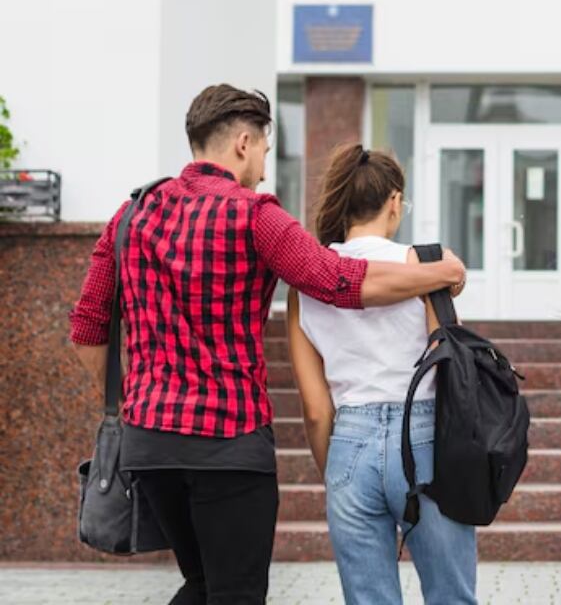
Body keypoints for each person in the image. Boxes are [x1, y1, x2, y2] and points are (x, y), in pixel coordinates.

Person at [68, 85, 466, 605]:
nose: (261, 165)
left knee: (203, 583)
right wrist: (440, 272)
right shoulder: (255, 215)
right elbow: (336, 280)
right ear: (241, 142)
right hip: (228, 443)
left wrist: (138, 398)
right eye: (262, 150)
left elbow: (89, 329)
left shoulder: (130, 215)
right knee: (236, 591)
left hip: (148, 445)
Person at [286, 144, 475, 605]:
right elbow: (447, 367)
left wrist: (335, 470)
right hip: (426, 434)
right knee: (451, 595)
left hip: (349, 442)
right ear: (394, 202)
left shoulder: (306, 284)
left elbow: (314, 410)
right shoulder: (426, 264)